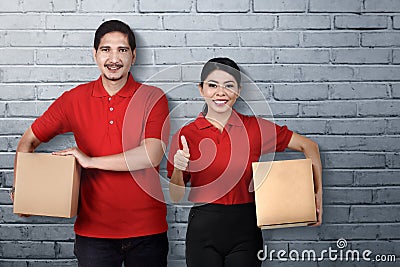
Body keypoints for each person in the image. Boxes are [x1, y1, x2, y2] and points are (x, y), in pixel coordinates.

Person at [11, 20, 170, 267]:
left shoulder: (153, 98)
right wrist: (22, 191)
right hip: (93, 234)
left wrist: (90, 161)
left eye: (123, 50)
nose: (114, 58)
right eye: (106, 50)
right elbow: (27, 141)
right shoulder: (73, 100)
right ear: (95, 54)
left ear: (134, 56)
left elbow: (151, 155)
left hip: (147, 232)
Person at [167, 57, 323, 267]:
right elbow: (176, 196)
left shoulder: (256, 129)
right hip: (203, 230)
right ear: (201, 89)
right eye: (212, 85)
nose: (220, 92)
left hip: (246, 229)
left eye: (228, 86)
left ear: (238, 90)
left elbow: (309, 147)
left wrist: (316, 198)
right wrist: (178, 167)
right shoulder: (186, 134)